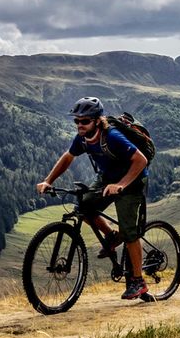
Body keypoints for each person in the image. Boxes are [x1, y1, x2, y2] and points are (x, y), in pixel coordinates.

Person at [36, 96, 150, 300]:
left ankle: (137, 280)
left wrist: (121, 185)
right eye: (76, 121)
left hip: (131, 182)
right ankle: (111, 236)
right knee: (83, 207)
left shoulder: (113, 136)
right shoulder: (81, 138)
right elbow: (67, 157)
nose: (80, 125)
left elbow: (140, 160)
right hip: (107, 179)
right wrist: (48, 181)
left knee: (130, 231)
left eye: (85, 121)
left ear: (97, 120)